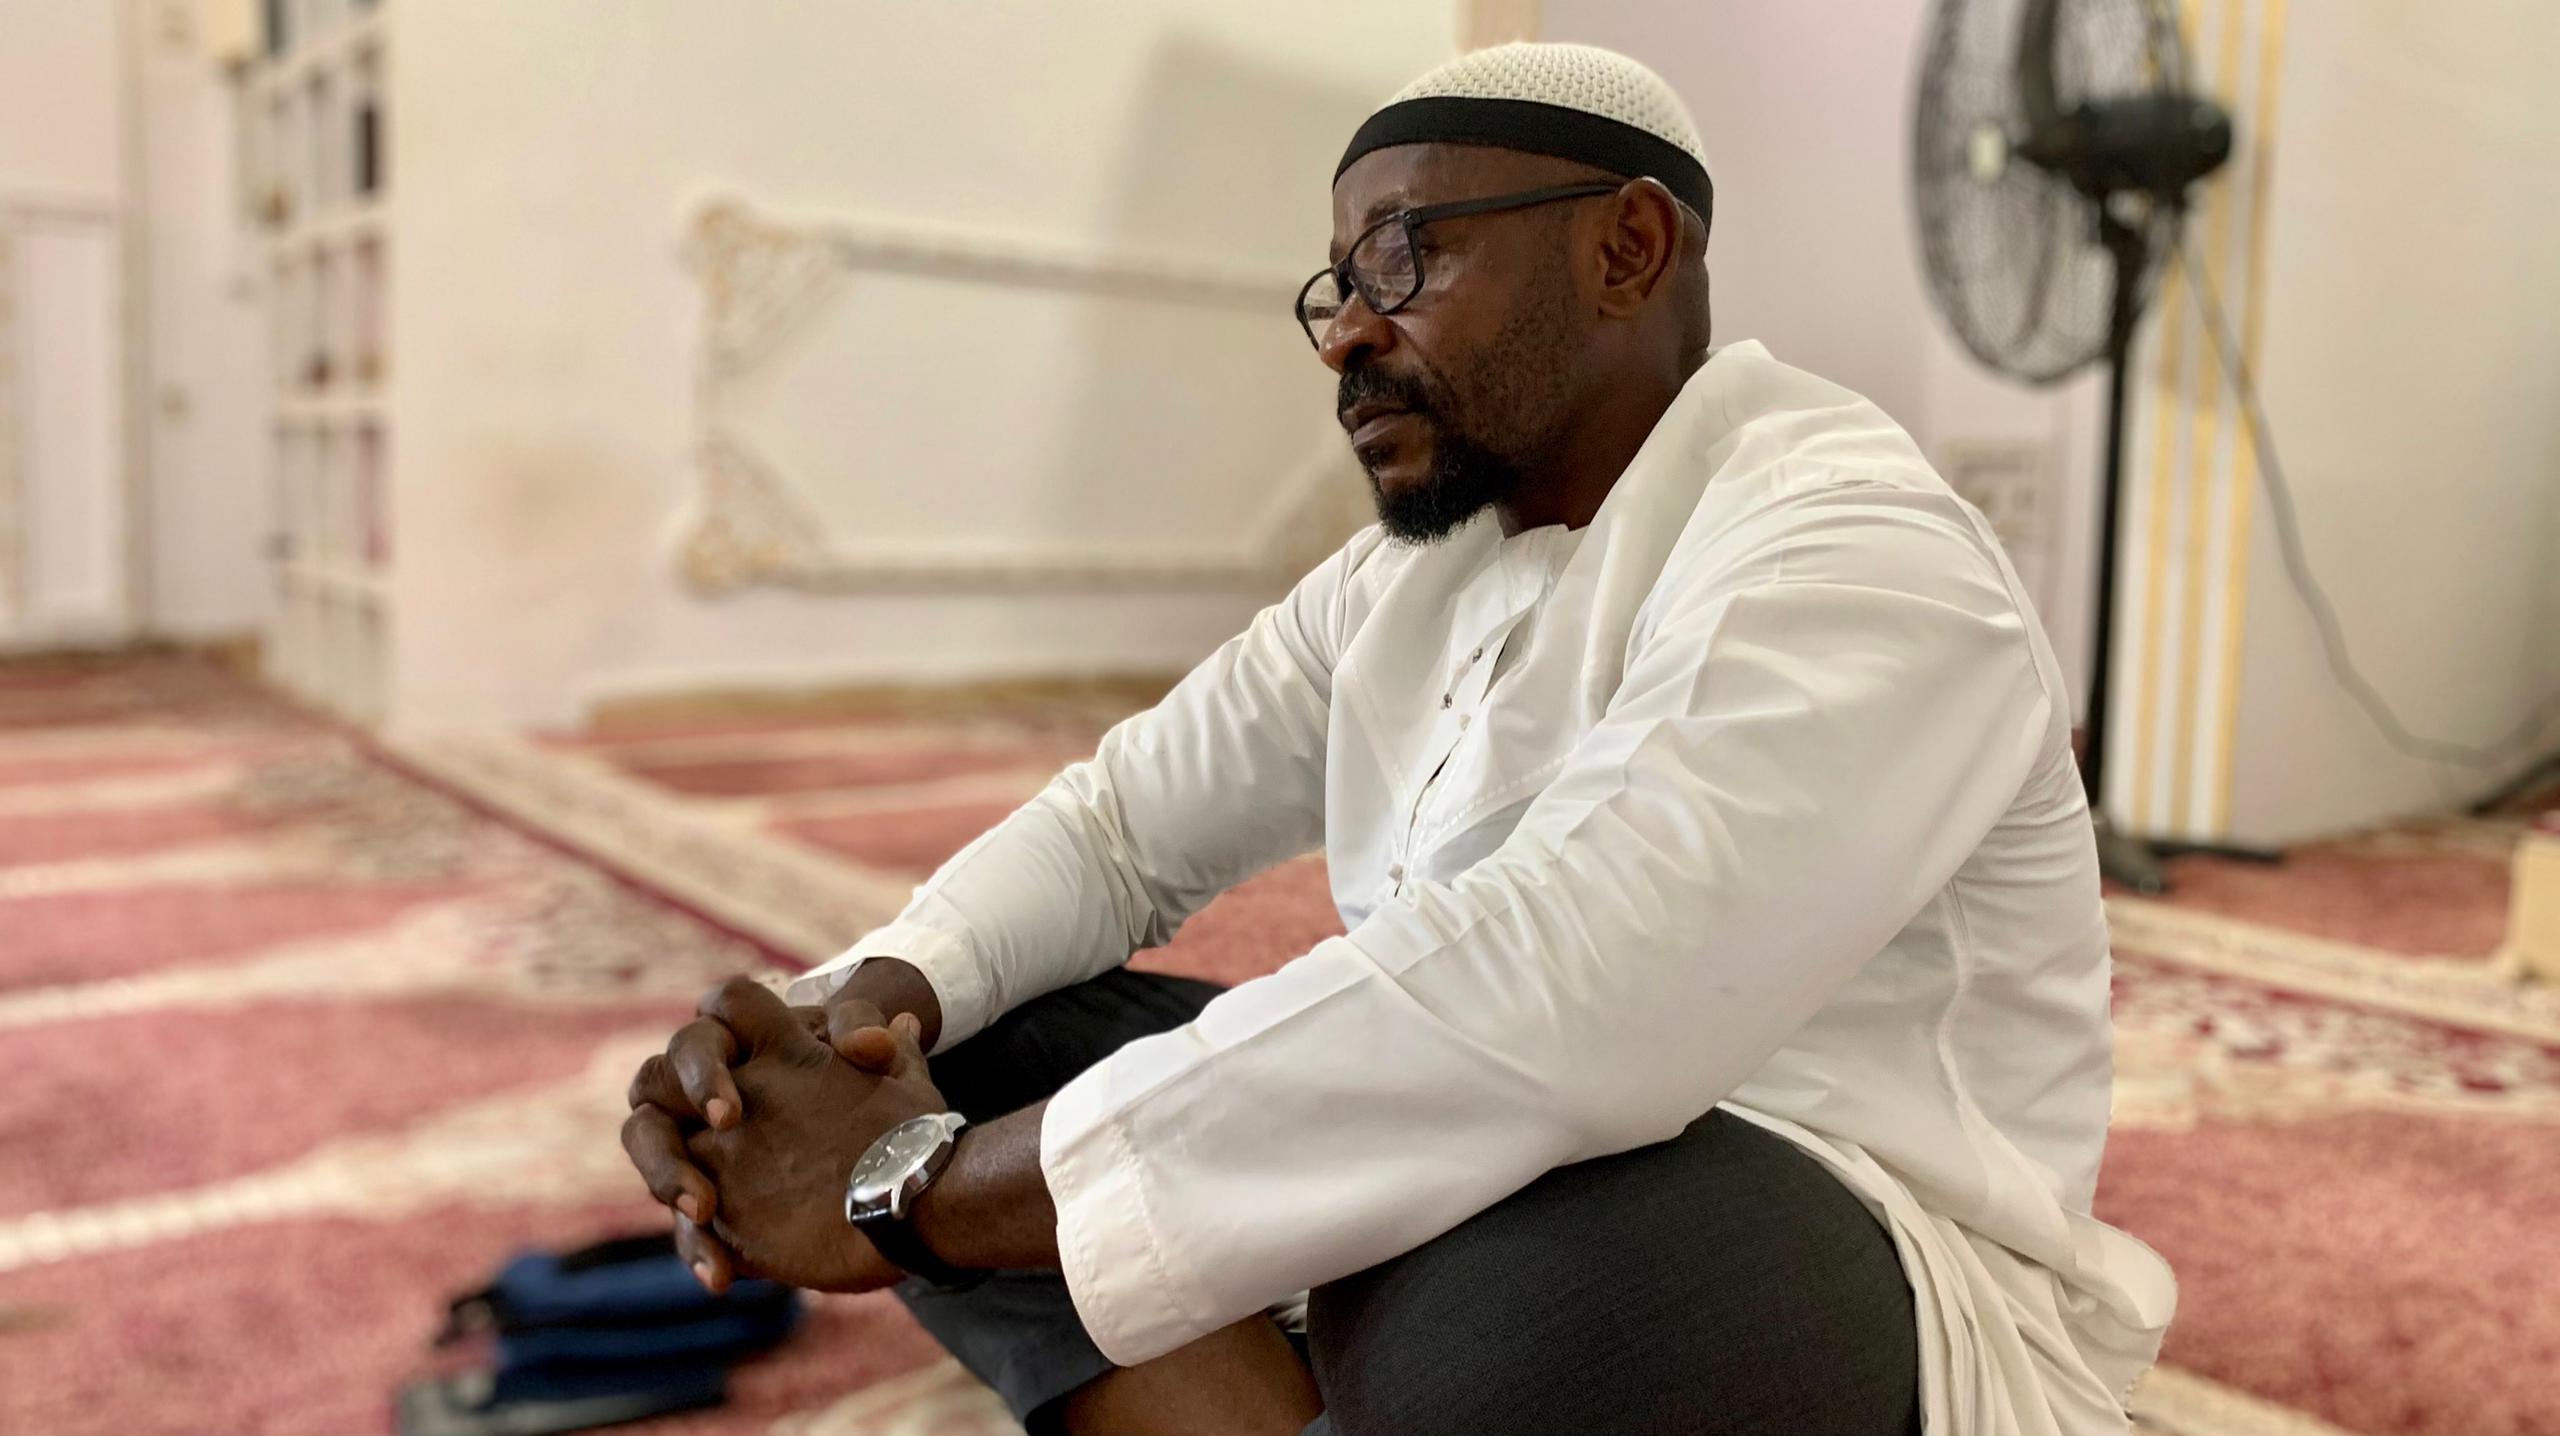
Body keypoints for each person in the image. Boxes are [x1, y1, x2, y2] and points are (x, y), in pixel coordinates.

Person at [620, 41, 2175, 1436]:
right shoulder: (1406, 579)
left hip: (1824, 1233)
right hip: (1499, 1151)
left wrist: (914, 1190)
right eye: (1336, 287)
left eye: (1404, 258)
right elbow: (1121, 828)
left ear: (1628, 247)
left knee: (1531, 1312)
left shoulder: (1855, 547)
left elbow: (1567, 993)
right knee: (966, 1047)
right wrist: (830, 1036)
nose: (1345, 337)